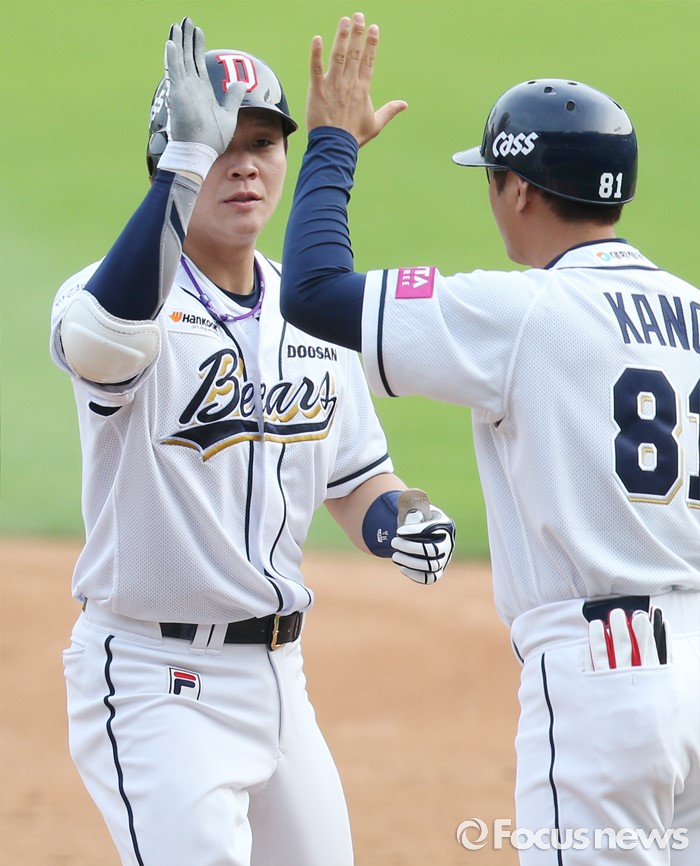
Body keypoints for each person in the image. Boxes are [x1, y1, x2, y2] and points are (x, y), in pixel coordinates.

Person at [280, 12, 700, 865]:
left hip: (606, 680)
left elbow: (314, 291)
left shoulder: (522, 311)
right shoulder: (693, 311)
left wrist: (332, 144)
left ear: (521, 192)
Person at [49, 18, 456, 866]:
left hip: (280, 681)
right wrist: (182, 164)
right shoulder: (111, 296)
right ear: (174, 157)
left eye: (264, 143)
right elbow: (104, 342)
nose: (244, 165)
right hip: (156, 682)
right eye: (220, 146)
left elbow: (358, 480)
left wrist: (403, 518)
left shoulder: (309, 310)